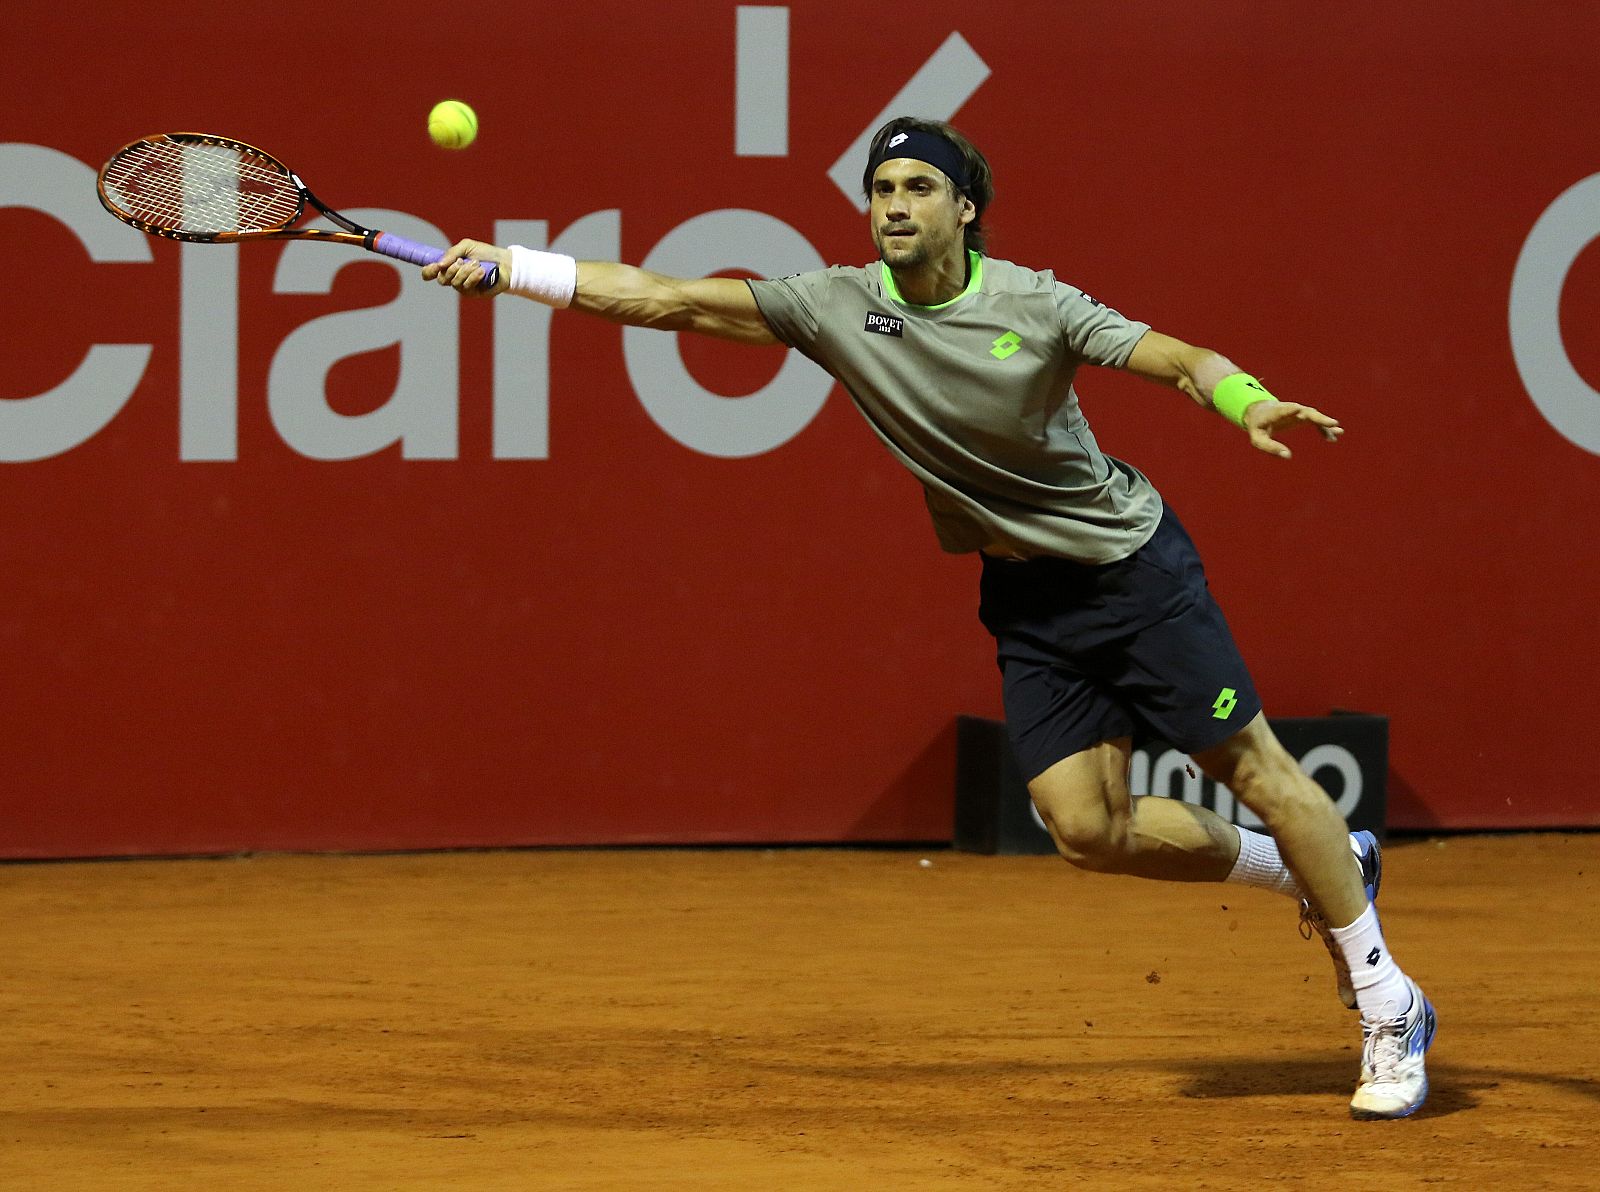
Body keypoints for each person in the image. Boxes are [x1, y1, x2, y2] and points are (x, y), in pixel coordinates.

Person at [422, 116, 1436, 1120]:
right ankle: (1318, 861)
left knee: (1254, 767)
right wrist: (514, 267)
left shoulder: (1034, 304)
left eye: (916, 188)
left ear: (965, 210)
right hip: (1027, 601)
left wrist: (1245, 400)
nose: (893, 206)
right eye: (880, 189)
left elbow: (1178, 358)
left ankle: (1389, 1002)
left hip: (1132, 574)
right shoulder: (835, 305)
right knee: (1085, 827)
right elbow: (672, 300)